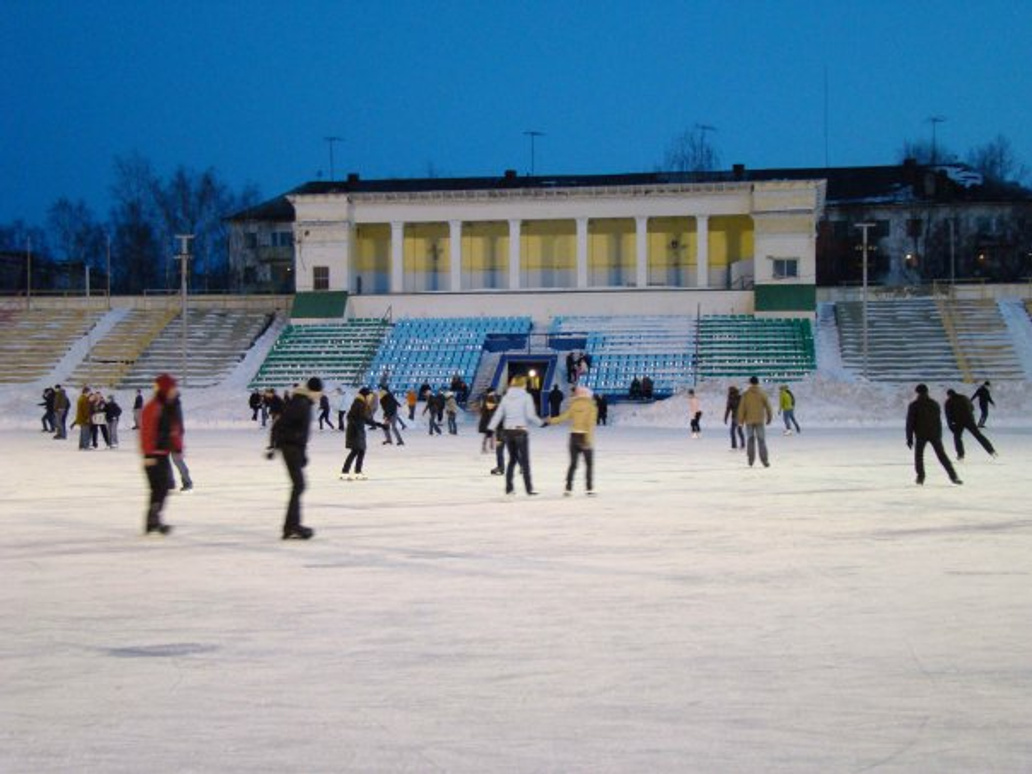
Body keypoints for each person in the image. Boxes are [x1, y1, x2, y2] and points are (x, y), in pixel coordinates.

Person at [269, 376, 322, 540]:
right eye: (319, 392)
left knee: (298, 485)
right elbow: (281, 425)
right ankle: (291, 526)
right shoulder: (301, 404)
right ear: (314, 391)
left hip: (292, 447)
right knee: (299, 485)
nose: (320, 396)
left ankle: (291, 526)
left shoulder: (301, 402)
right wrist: (277, 445)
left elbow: (283, 424)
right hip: (291, 447)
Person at [488, 375, 545, 496]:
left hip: (508, 432)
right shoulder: (526, 396)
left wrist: (490, 428)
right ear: (523, 384)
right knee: (525, 461)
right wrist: (541, 423)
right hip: (520, 431)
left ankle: (509, 488)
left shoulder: (506, 397)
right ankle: (529, 489)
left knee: (512, 461)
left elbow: (498, 414)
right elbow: (530, 415)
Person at [139, 374, 181, 535]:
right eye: (172, 388)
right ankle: (153, 521)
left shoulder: (167, 406)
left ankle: (153, 521)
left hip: (162, 454)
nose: (174, 391)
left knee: (163, 488)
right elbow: (147, 432)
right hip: (153, 455)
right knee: (159, 488)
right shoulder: (153, 407)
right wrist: (148, 454)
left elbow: (173, 430)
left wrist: (177, 447)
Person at [906, 383, 962, 486]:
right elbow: (938, 421)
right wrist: (939, 434)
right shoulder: (934, 404)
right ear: (927, 392)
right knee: (942, 456)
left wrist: (909, 438)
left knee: (919, 457)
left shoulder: (914, 405)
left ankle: (920, 477)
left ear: (917, 393)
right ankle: (954, 476)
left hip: (921, 434)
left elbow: (910, 423)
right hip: (934, 434)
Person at [548, 385, 599, 496]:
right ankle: (589, 488)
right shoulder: (591, 407)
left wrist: (551, 420)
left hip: (573, 436)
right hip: (584, 435)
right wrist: (588, 439)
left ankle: (568, 488)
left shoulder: (574, 405)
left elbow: (563, 417)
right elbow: (590, 425)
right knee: (589, 464)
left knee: (573, 464)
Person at [341, 387, 384, 480]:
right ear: (365, 395)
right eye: (369, 396)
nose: (370, 398)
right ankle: (344, 472)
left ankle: (358, 472)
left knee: (361, 451)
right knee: (355, 451)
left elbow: (357, 417)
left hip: (357, 430)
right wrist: (378, 424)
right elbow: (363, 418)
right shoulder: (359, 403)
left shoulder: (360, 402)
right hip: (355, 431)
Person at [944, 388, 996, 461]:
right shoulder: (964, 398)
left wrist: (951, 425)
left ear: (949, 395)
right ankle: (991, 451)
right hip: (969, 420)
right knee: (978, 435)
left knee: (957, 438)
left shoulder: (948, 402)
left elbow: (948, 415)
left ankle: (960, 455)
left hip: (958, 422)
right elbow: (972, 408)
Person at [737, 376, 773, 468]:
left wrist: (740, 421)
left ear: (750, 383)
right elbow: (768, 406)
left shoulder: (746, 394)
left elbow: (741, 408)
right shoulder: (762, 393)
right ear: (758, 383)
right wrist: (769, 417)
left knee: (750, 440)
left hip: (749, 421)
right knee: (761, 440)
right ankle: (765, 461)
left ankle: (750, 460)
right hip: (760, 420)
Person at [167, 393, 193, 492]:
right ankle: (170, 483)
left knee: (178, 461)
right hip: (170, 437)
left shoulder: (174, 405)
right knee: (172, 461)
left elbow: (177, 424)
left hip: (174, 438)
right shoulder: (171, 405)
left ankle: (188, 483)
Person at [723, 385, 746, 451]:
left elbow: (728, 409)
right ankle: (742, 445)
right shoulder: (740, 397)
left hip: (735, 417)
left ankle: (734, 446)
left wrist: (725, 418)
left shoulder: (730, 398)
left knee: (732, 431)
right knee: (739, 431)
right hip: (741, 417)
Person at [479, 389, 499, 454]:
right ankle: (489, 448)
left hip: (486, 419)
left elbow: (483, 410)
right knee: (490, 434)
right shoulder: (490, 398)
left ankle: (486, 448)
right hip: (489, 420)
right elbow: (491, 410)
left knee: (488, 434)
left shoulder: (485, 399)